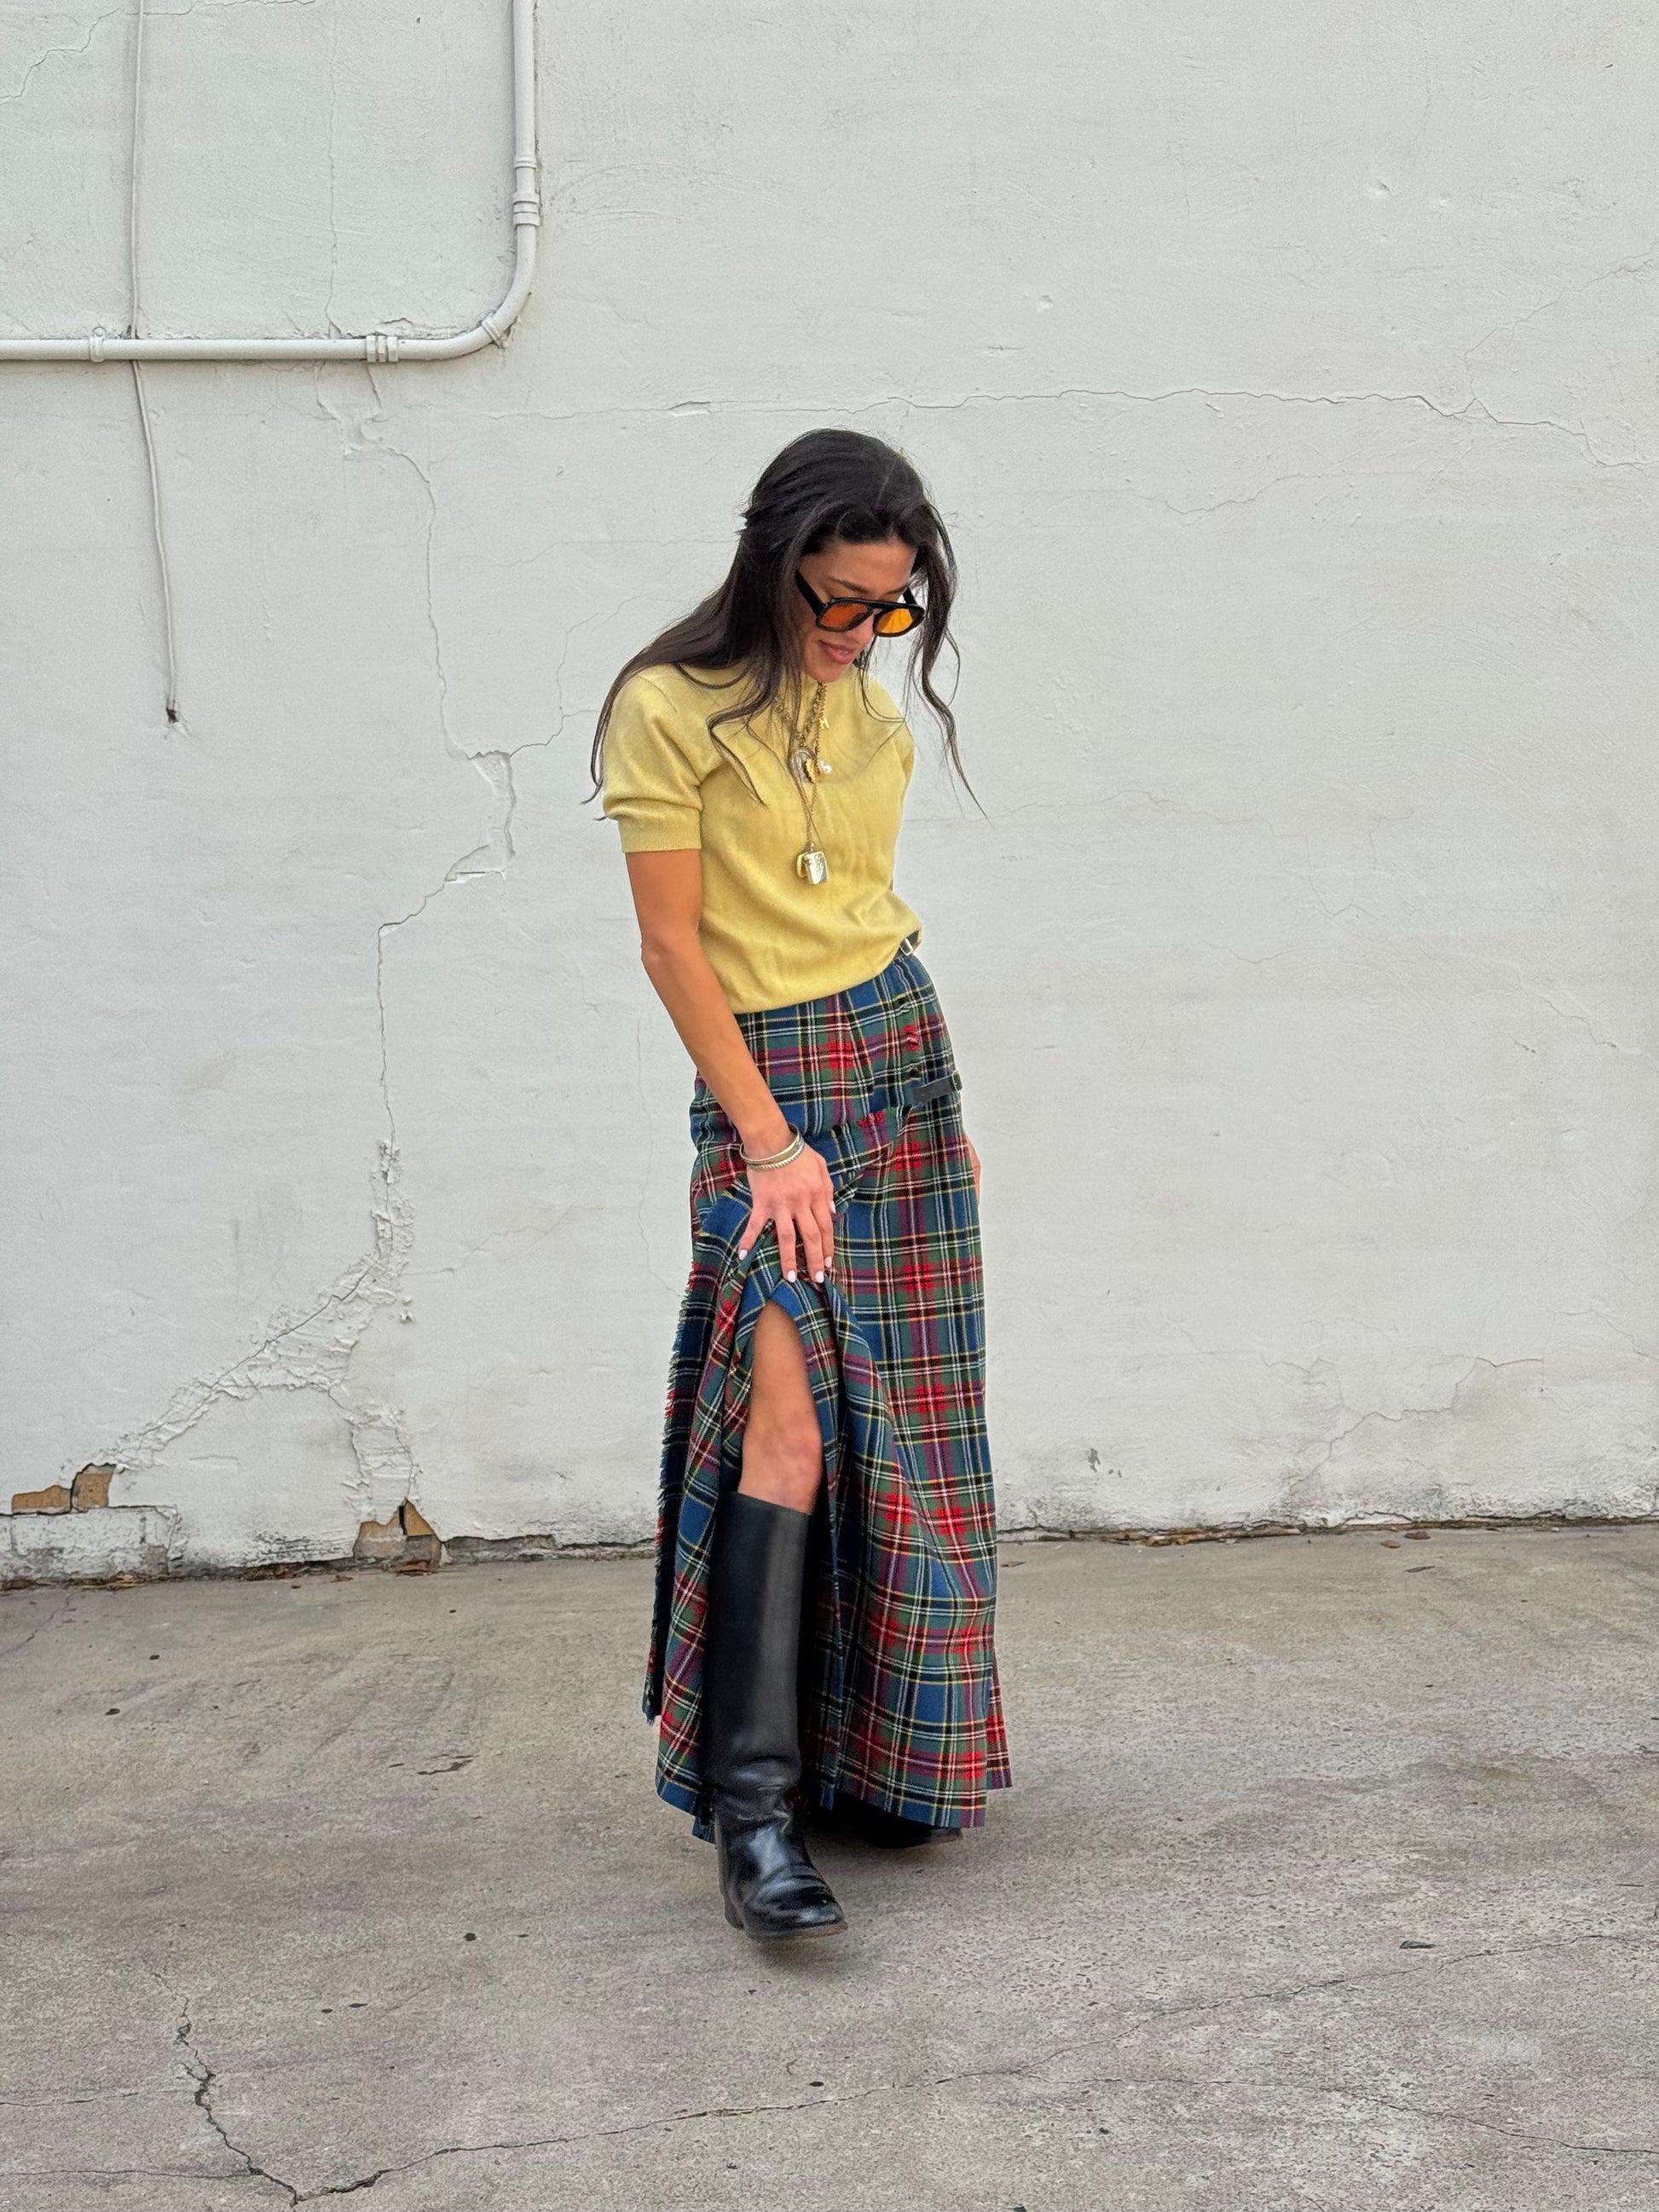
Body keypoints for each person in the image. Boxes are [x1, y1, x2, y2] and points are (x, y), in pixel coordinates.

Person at [593, 427, 1009, 1942]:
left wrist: (939, 1109)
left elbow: (871, 909)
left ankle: (880, 1760)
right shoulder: (667, 708)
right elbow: (671, 947)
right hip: (770, 1083)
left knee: (909, 1429)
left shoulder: (870, 707)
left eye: (892, 606)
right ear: (774, 564)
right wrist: (767, 1141)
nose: (863, 631)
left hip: (899, 1058)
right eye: (841, 601)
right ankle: (753, 1815)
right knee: (781, 1418)